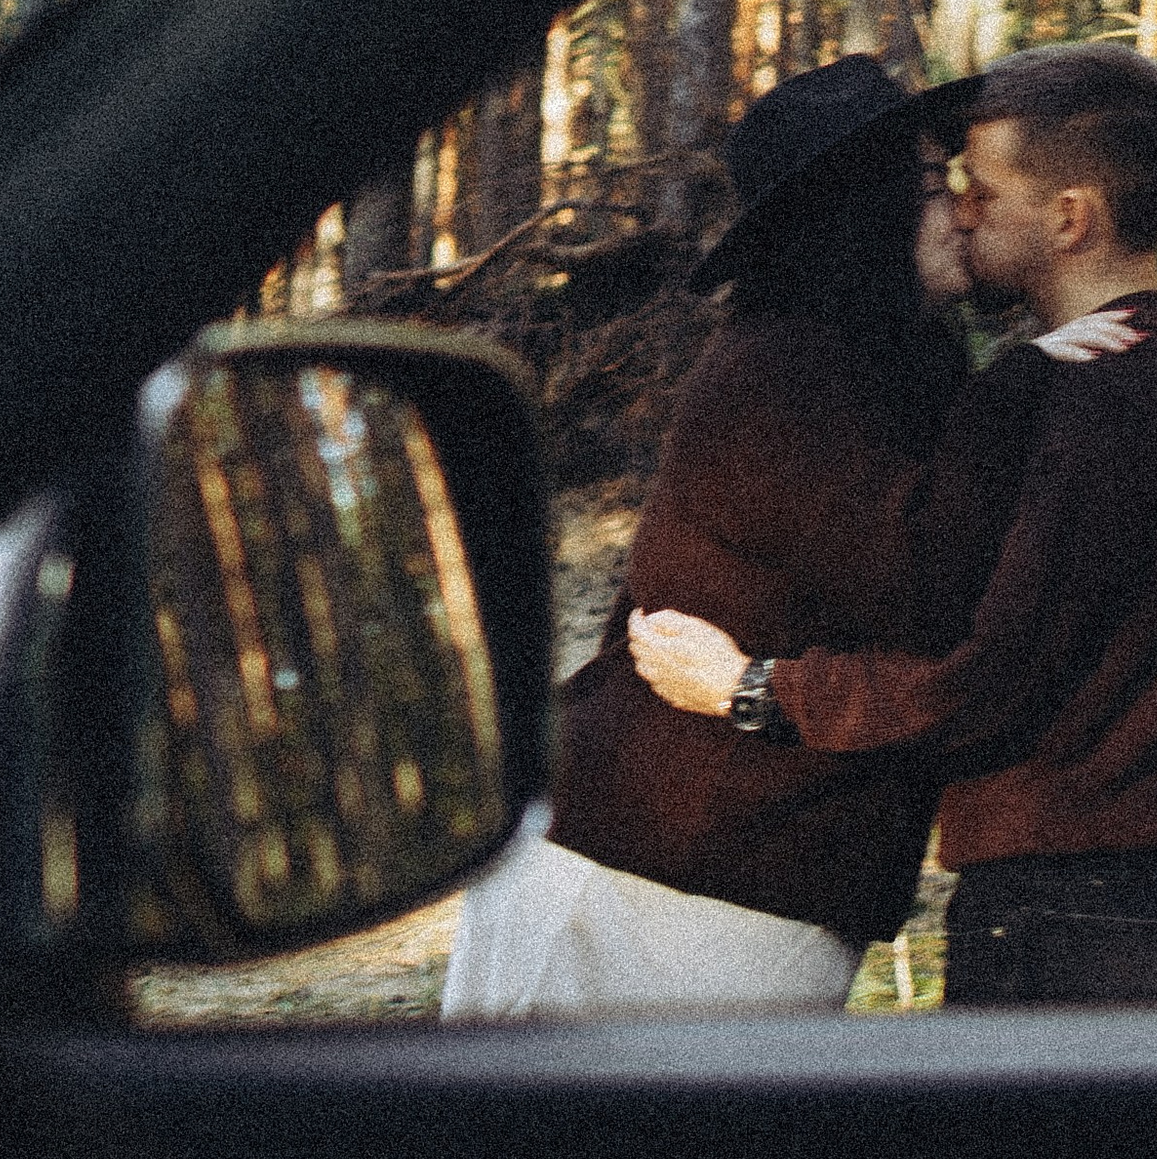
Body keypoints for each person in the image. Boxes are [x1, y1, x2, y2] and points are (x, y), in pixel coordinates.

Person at [627, 43, 1157, 1009]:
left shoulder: (1101, 392)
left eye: (984, 190)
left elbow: (986, 683)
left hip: (1077, 904)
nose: (964, 210)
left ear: (1069, 218)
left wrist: (752, 689)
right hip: (1128, 894)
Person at [440, 53, 1029, 1017]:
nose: (964, 210)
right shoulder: (779, 376)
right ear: (864, 210)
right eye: (934, 184)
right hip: (644, 871)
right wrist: (1045, 379)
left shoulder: (901, 375)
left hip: (753, 872)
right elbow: (936, 588)